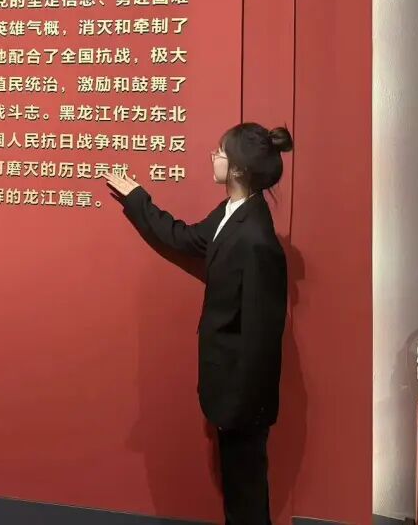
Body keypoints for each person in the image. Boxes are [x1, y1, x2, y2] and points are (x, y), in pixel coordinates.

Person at [103, 122, 293, 525]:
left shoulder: (257, 239)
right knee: (239, 493)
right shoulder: (232, 213)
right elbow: (184, 238)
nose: (213, 157)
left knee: (247, 496)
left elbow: (262, 336)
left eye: (220, 152)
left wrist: (242, 407)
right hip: (228, 390)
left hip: (242, 399)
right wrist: (137, 199)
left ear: (238, 168)